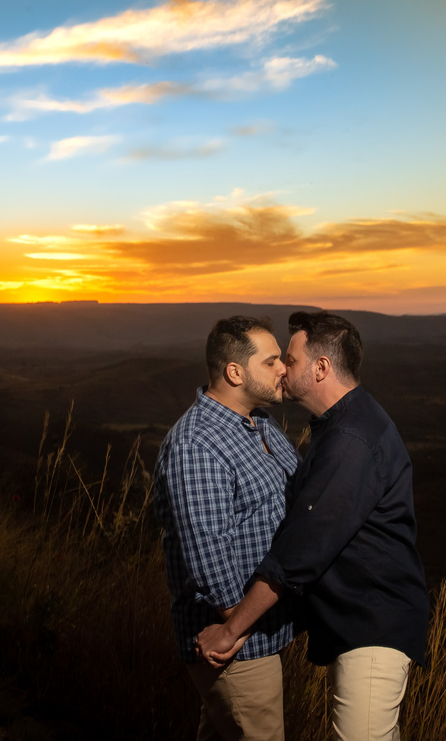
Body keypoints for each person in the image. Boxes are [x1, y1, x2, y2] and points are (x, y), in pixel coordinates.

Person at [197, 311, 430, 741]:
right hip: (361, 623)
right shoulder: (340, 425)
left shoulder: (351, 441)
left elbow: (301, 550)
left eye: (292, 359)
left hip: (371, 627)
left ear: (321, 368)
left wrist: (231, 629)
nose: (284, 368)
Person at [155, 315, 300, 741]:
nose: (283, 370)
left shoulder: (260, 424)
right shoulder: (199, 444)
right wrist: (235, 629)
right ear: (234, 372)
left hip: (262, 633)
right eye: (271, 362)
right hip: (234, 646)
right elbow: (209, 559)